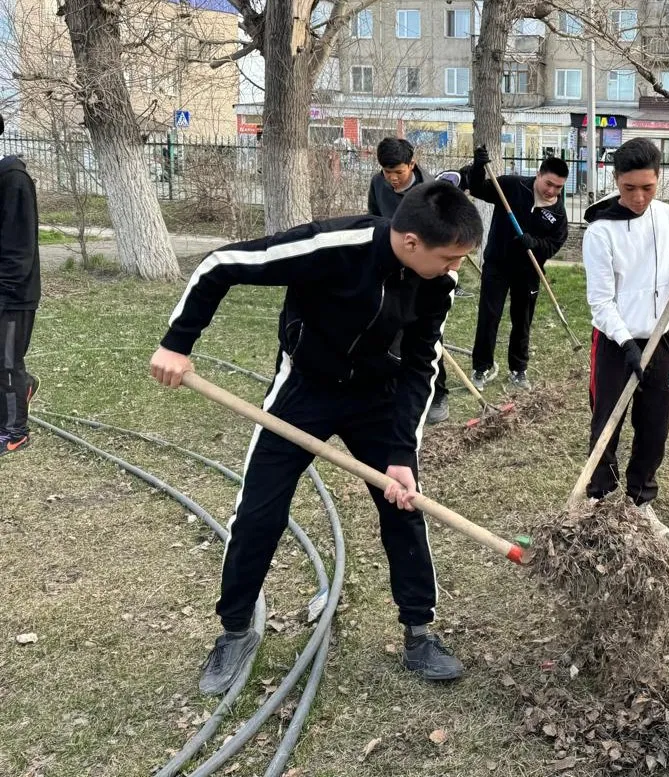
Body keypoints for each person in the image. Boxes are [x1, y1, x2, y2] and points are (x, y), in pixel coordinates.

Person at [149, 182, 482, 695]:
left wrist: (400, 452)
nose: (455, 268)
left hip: (378, 395)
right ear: (412, 242)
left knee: (404, 507)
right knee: (260, 510)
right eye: (451, 257)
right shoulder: (329, 247)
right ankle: (236, 628)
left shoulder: (436, 281)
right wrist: (177, 343)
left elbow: (421, 363)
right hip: (305, 390)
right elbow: (220, 266)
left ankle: (419, 631)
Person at [582, 138, 669, 536]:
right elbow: (600, 302)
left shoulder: (667, 216)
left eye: (647, 188)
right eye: (629, 187)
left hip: (660, 340)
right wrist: (626, 342)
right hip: (616, 345)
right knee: (607, 425)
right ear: (615, 180)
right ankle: (598, 502)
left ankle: (641, 502)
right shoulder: (600, 233)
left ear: (659, 180)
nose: (638, 197)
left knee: (655, 426)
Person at [367, 137, 463, 425]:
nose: (392, 179)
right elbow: (374, 219)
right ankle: (391, 392)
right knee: (388, 330)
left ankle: (437, 395)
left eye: (398, 172)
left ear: (412, 163)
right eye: (387, 172)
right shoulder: (377, 183)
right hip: (392, 268)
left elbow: (446, 236)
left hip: (425, 271)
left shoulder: (431, 192)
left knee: (426, 336)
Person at [461, 147, 569, 391]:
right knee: (489, 316)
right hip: (497, 264)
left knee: (522, 320)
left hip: (529, 271)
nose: (552, 191)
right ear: (539, 174)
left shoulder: (557, 212)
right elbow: (477, 188)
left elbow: (554, 244)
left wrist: (535, 243)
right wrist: (478, 166)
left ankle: (518, 370)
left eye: (558, 187)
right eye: (549, 183)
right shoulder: (512, 186)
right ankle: (481, 367)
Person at [0, 112, 41, 456]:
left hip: (12, 296)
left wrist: (4, 294)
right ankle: (22, 391)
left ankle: (15, 431)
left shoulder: (13, 181)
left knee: (7, 362)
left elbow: (18, 250)